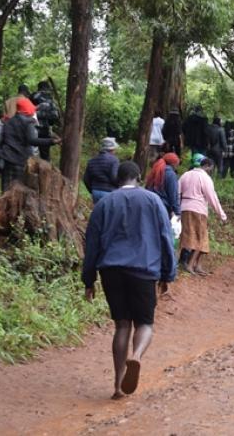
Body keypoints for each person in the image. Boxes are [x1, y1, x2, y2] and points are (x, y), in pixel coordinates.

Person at [82, 161, 176, 400]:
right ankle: (136, 355)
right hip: (144, 269)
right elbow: (166, 238)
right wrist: (168, 273)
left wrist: (89, 279)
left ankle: (117, 385)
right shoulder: (153, 201)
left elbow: (92, 244)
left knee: (122, 325)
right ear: (138, 177)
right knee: (144, 323)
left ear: (117, 179)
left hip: (111, 270)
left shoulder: (103, 204)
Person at [178, 156, 227, 276]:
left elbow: (177, 192)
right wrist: (222, 215)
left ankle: (194, 265)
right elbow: (212, 197)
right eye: (211, 168)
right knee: (202, 239)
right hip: (198, 210)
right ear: (209, 166)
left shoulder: (186, 175)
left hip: (184, 208)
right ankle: (190, 265)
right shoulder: (205, 178)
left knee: (186, 237)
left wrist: (177, 209)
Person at [0, 98, 59, 192]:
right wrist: (51, 141)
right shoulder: (28, 122)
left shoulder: (8, 121)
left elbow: (2, 140)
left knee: (6, 192)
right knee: (18, 192)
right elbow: (32, 140)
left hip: (7, 160)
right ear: (28, 108)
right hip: (20, 161)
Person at [83, 137, 121, 204]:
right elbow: (114, 177)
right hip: (109, 192)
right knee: (108, 213)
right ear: (112, 149)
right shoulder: (114, 160)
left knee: (98, 213)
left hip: (95, 191)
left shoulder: (92, 160)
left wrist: (92, 189)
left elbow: (86, 179)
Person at [31, 81, 60, 161]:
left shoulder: (33, 96)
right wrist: (50, 124)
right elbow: (55, 116)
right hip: (45, 129)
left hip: (34, 128)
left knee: (33, 152)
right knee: (45, 153)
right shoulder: (51, 98)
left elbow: (28, 110)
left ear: (39, 87)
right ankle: (46, 170)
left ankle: (32, 170)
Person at [145, 153, 181, 217]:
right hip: (163, 208)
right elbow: (173, 194)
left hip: (149, 205)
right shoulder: (171, 174)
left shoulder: (154, 171)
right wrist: (177, 212)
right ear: (174, 164)